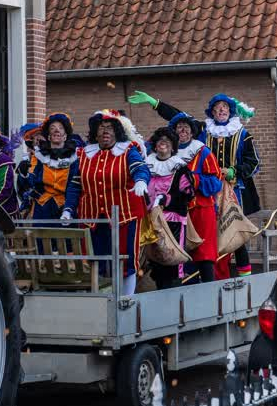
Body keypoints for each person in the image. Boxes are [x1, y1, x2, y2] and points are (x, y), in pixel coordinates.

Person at [128, 91, 260, 277]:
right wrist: (155, 103)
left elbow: (253, 162)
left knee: (234, 232)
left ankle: (245, 279)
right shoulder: (204, 130)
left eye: (224, 107)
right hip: (202, 194)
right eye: (216, 108)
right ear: (211, 112)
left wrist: (235, 171)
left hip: (232, 189)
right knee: (204, 237)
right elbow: (178, 118)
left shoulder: (243, 135)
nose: (220, 110)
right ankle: (204, 275)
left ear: (231, 111)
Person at [63, 109, 151, 296]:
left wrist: (141, 180)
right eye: (101, 128)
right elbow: (75, 185)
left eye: (109, 128)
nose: (105, 132)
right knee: (96, 260)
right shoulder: (84, 155)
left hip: (124, 217)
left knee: (125, 260)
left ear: (117, 132)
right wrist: (69, 209)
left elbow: (139, 168)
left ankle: (126, 299)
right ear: (95, 133)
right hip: (92, 218)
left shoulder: (127, 151)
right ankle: (101, 299)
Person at [166, 112, 223, 283]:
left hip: (201, 210)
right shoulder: (169, 152)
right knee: (180, 254)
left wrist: (195, 179)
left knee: (204, 255)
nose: (182, 130)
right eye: (179, 127)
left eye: (186, 127)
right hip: (176, 211)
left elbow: (216, 181)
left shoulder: (202, 152)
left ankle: (209, 292)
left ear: (192, 132)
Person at [146, 127, 195, 289]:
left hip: (172, 222)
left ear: (173, 147)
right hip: (150, 221)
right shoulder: (147, 166)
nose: (163, 143)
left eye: (167, 141)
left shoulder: (179, 168)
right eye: (160, 140)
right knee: (155, 262)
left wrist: (166, 199)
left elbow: (188, 194)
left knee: (172, 260)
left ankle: (174, 301)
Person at [24, 113, 80, 222]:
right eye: (52, 128)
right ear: (49, 136)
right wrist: (24, 173)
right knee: (40, 237)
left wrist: (68, 209)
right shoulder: (39, 156)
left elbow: (75, 187)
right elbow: (31, 182)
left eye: (60, 128)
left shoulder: (75, 158)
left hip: (65, 206)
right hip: (42, 207)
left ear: (65, 136)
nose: (56, 130)